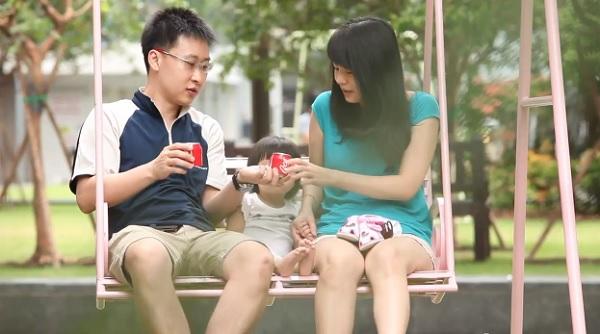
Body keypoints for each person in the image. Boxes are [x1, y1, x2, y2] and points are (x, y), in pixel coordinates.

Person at [70, 8, 279, 334]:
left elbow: (211, 209)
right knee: (149, 254)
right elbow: (87, 196)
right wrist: (153, 170)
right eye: (189, 63)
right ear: (155, 59)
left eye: (205, 67)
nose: (198, 76)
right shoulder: (111, 117)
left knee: (258, 258)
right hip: (138, 234)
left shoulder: (205, 127)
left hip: (198, 236)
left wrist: (239, 181)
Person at [286, 17, 440, 334]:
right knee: (341, 263)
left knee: (386, 258)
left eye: (350, 72)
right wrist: (305, 211)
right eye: (336, 69)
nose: (340, 79)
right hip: (337, 225)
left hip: (403, 227)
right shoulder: (324, 108)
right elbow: (313, 184)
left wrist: (330, 176)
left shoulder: (421, 109)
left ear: (378, 71)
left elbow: (405, 186)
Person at [226, 136, 315, 276]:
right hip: (253, 257)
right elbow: (232, 238)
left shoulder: (297, 208)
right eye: (268, 166)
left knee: (304, 249)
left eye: (285, 167)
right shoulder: (247, 202)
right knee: (258, 254)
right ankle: (281, 265)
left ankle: (298, 266)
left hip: (287, 259)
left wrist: (300, 243)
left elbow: (297, 239)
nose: (277, 174)